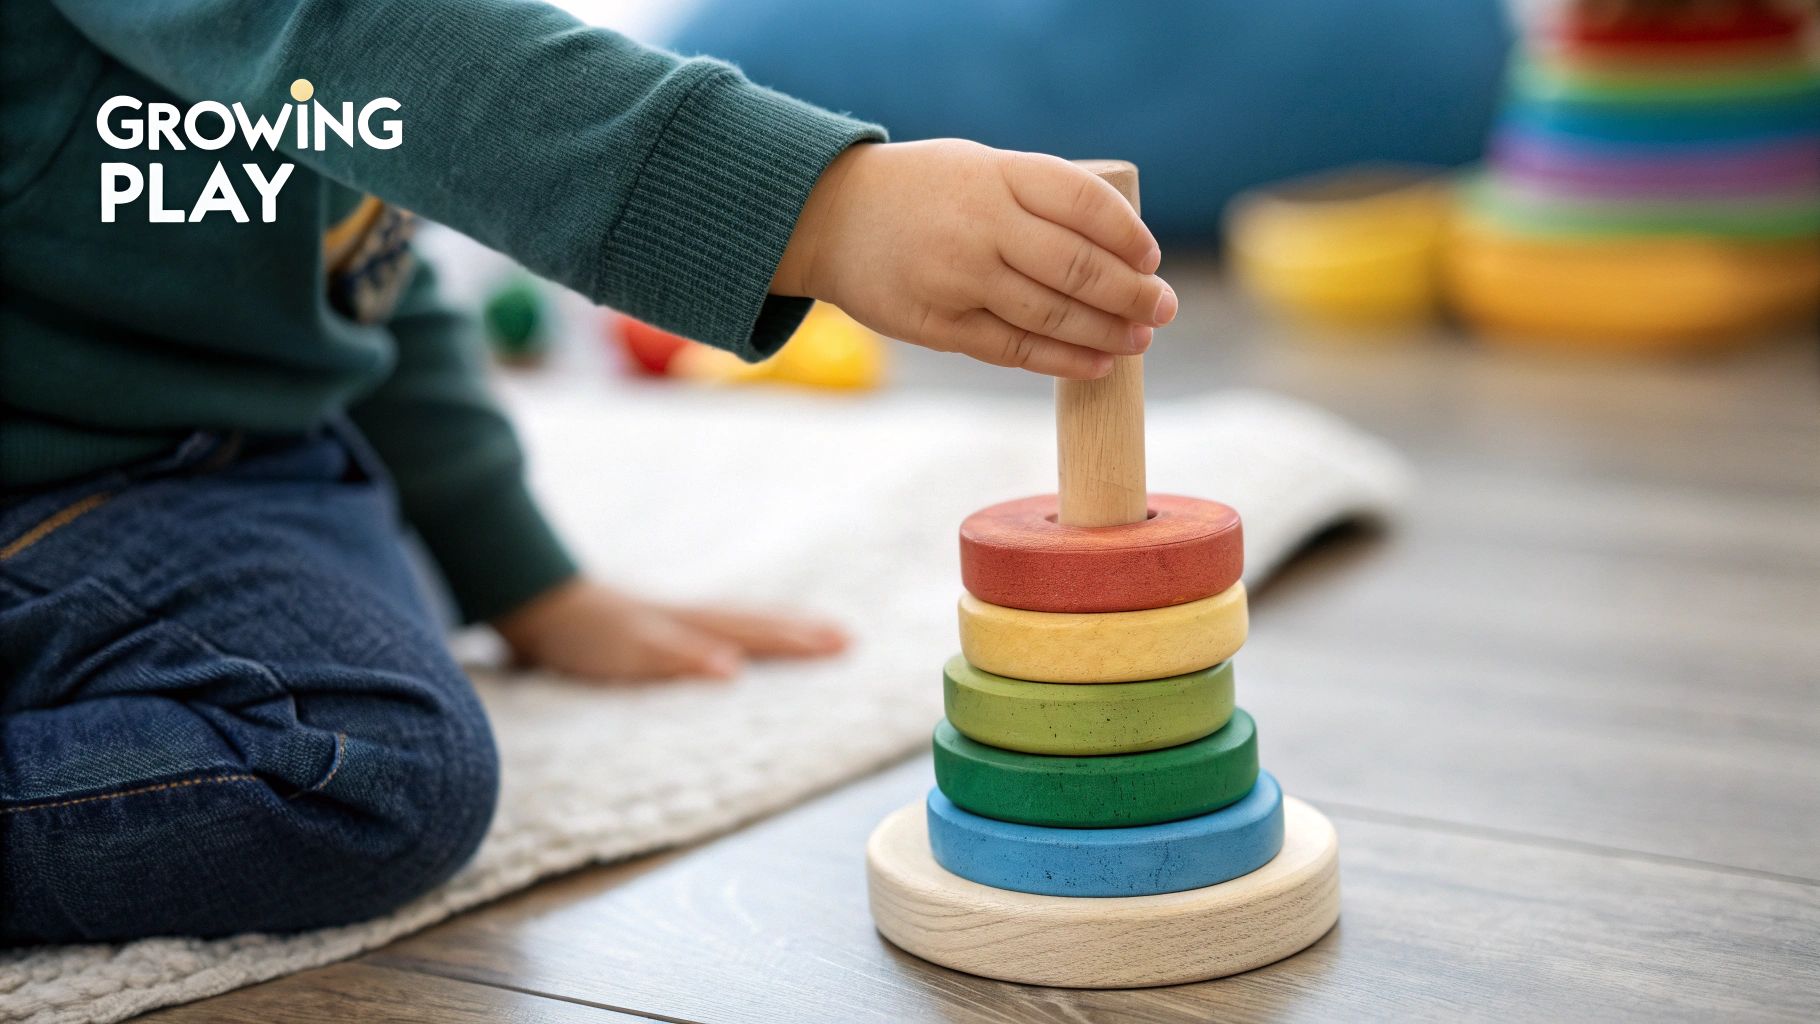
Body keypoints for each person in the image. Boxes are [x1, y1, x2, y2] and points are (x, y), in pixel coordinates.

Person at [0, 0, 1176, 943]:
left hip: (211, 454)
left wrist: (525, 581)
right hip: (56, 467)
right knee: (363, 765)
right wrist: (817, 207)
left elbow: (358, 259)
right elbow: (351, 36)